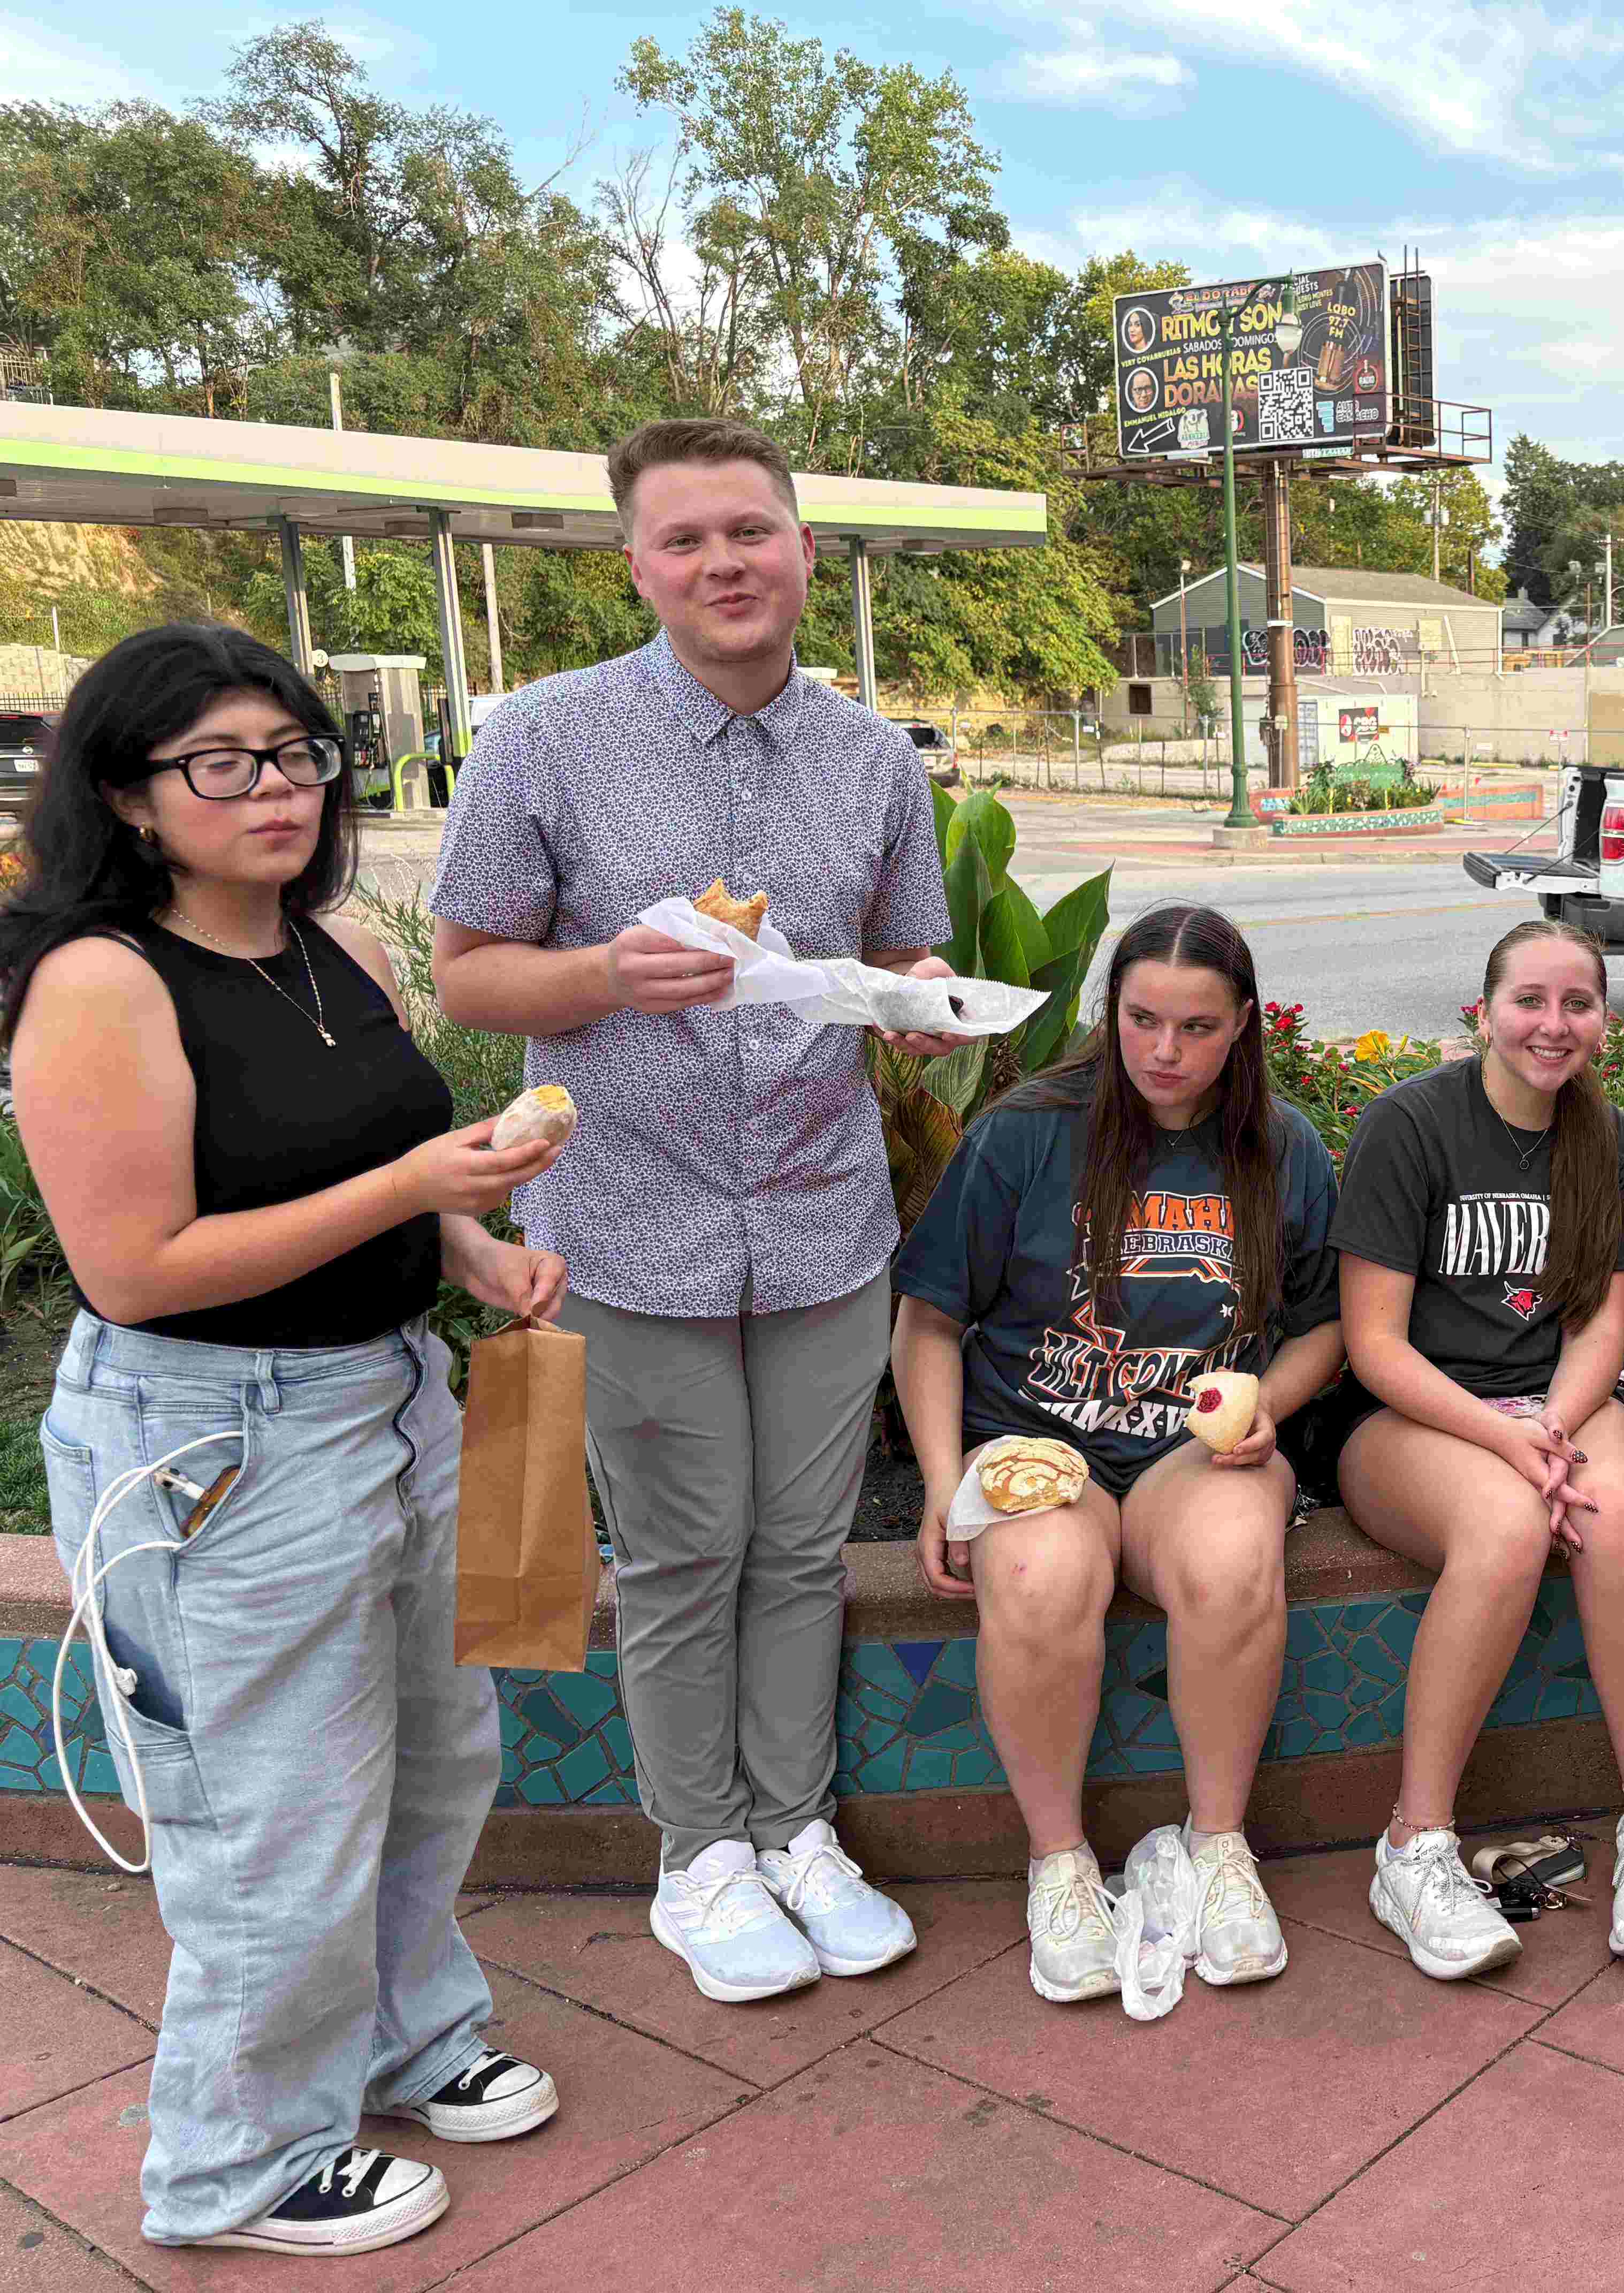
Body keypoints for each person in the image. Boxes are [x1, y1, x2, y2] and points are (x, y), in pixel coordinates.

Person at [10, 627, 569, 2257]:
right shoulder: (99, 981)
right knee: (276, 1806)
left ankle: (399, 2038)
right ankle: (231, 2160)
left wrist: (472, 1255)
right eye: (222, 762)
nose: (274, 790)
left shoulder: (337, 954)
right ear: (127, 796)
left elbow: (383, 1166)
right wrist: (416, 1196)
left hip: (384, 1396)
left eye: (298, 754)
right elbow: (139, 1267)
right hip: (213, 1438)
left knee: (433, 1751)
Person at [433, 417, 961, 2004]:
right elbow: (467, 968)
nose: (724, 563)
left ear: (803, 546)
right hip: (624, 1215)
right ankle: (698, 1851)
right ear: (639, 565)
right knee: (678, 1555)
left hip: (819, 1219)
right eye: (687, 540)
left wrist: (925, 1001)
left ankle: (796, 1830)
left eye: (752, 530)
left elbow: (908, 955)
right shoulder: (542, 736)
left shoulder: (875, 758)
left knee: (799, 1550)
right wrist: (604, 973)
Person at [889, 906, 1341, 2004]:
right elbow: (929, 1323)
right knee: (1039, 1576)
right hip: (1041, 1440)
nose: (1165, 1052)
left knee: (1237, 1561)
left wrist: (1269, 1401)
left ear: (1242, 1027)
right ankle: (1059, 1864)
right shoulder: (1024, 1133)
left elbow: (1326, 1323)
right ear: (1113, 1012)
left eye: (1196, 1026)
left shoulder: (1281, 1148)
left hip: (1199, 1455)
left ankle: (1219, 1847)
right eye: (1143, 1020)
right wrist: (947, 1483)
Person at [1332, 921, 1624, 1976]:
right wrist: (1502, 1437)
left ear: (1601, 1020)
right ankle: (1415, 1842)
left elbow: (1601, 1323)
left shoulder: (1605, 1139)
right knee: (1502, 1527)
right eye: (1529, 1001)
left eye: (1577, 1003)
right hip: (1418, 1415)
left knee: (1617, 1514)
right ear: (1484, 1011)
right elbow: (1375, 1344)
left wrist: (1553, 1428)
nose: (1553, 1024)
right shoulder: (1410, 1128)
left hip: (1558, 1405)